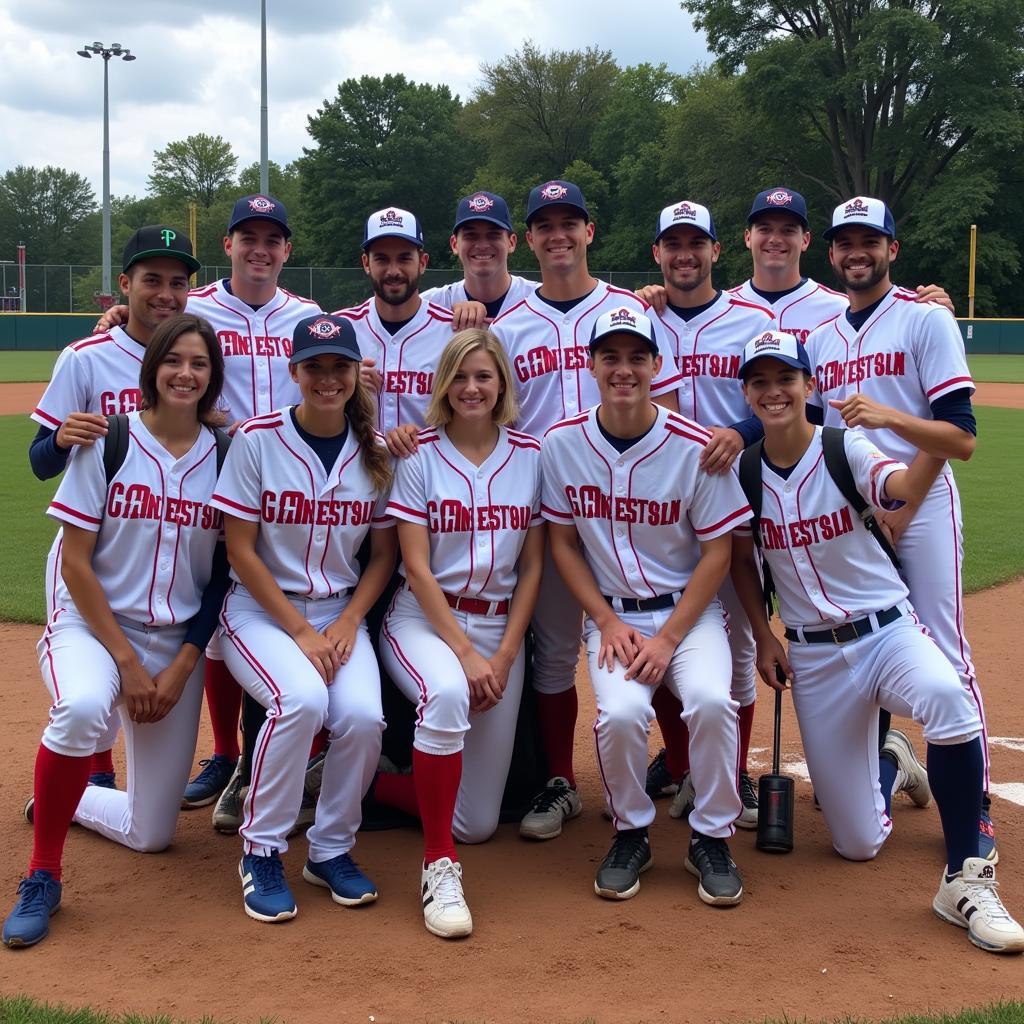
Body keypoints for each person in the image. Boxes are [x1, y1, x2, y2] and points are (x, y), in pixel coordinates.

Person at [729, 329, 1023, 954]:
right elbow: (738, 562)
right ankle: (893, 760)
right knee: (856, 843)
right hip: (811, 654)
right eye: (760, 381)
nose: (774, 390)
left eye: (786, 378)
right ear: (748, 395)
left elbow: (893, 484)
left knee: (950, 698)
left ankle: (965, 879)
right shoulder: (746, 472)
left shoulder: (844, 447)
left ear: (810, 387)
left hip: (886, 629)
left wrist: (899, 453)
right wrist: (763, 635)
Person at [3, 313, 229, 948]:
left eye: (200, 364)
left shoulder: (228, 455)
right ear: (150, 369)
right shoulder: (111, 441)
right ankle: (43, 875)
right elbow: (74, 562)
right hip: (93, 627)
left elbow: (221, 576)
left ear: (213, 380)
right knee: (79, 708)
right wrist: (130, 665)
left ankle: (64, 797)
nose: (185, 373)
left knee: (152, 832)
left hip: (175, 639)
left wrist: (185, 663)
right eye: (173, 360)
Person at [96, 195, 323, 825]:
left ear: (286, 251)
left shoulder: (308, 314)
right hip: (207, 476)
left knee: (259, 621)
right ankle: (228, 756)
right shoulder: (196, 309)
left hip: (293, 491)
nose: (259, 248)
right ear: (228, 246)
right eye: (247, 237)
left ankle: (262, 760)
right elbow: (150, 317)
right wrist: (119, 316)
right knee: (224, 620)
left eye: (271, 239)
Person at [488, 181, 683, 842]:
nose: (558, 235)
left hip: (630, 511)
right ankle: (561, 782)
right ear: (530, 240)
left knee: (663, 638)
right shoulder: (507, 327)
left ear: (589, 232)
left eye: (570, 222)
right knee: (553, 656)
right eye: (545, 225)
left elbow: (672, 407)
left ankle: (683, 769)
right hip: (549, 513)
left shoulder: (631, 308)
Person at [805, 195, 995, 861]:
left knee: (942, 644)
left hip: (922, 503)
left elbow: (962, 439)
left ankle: (976, 805)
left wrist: (891, 423)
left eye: (870, 241)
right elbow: (805, 433)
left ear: (892, 248)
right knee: (868, 638)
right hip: (853, 515)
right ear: (831, 254)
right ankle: (884, 764)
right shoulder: (822, 338)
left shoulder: (924, 320)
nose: (858, 252)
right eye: (846, 242)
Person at [542, 307, 750, 905]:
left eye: (637, 357)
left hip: (689, 616)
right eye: (610, 356)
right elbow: (561, 541)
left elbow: (717, 552)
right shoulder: (564, 443)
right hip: (613, 615)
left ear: (658, 366)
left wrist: (668, 639)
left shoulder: (695, 446)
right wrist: (605, 621)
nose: (624, 369)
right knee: (623, 716)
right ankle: (631, 829)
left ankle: (711, 836)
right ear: (591, 366)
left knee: (713, 701)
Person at [209, 313, 396, 922]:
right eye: (314, 367)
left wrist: (348, 623)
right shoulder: (258, 440)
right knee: (301, 701)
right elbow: (239, 550)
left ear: (355, 374)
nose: (327, 378)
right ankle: (260, 848)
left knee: (366, 718)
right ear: (294, 373)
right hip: (259, 612)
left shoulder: (372, 451)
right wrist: (301, 631)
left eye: (339, 366)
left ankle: (330, 848)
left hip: (341, 611)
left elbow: (384, 555)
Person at [374, 329, 544, 938]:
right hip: (424, 620)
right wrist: (468, 653)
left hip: (499, 628)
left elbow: (533, 567)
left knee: (478, 822)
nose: (472, 388)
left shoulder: (530, 454)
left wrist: (502, 651)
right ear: (443, 385)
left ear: (502, 384)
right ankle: (438, 867)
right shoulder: (417, 453)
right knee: (445, 694)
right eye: (460, 376)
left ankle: (370, 779)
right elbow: (414, 567)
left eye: (484, 376)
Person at [28, 226, 202, 791]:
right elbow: (39, 462)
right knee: (93, 678)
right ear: (125, 285)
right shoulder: (86, 357)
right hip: (91, 543)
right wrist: (59, 440)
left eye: (177, 283)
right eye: (152, 280)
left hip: (159, 538)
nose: (165, 293)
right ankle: (94, 773)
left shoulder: (194, 356)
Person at [638, 200, 775, 827]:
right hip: (659, 504)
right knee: (666, 631)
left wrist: (742, 430)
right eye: (673, 244)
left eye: (696, 243)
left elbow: (793, 398)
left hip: (738, 493)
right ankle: (685, 760)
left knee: (738, 642)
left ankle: (736, 772)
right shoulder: (643, 316)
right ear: (658, 253)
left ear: (718, 250)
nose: (684, 254)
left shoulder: (752, 317)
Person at [420, 191, 537, 326]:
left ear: (512, 242)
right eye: (471, 236)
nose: (482, 246)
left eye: (493, 235)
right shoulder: (432, 304)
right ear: (454, 244)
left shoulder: (538, 299)